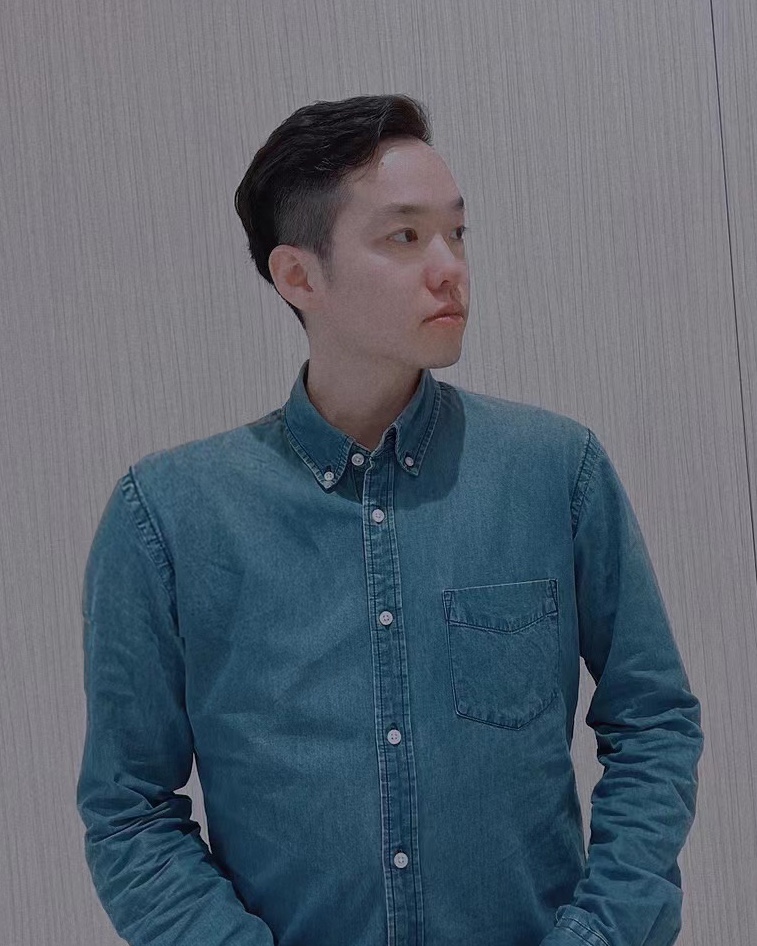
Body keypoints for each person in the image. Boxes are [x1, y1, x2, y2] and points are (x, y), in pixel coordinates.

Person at [76, 93, 704, 946]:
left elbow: (653, 723)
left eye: (456, 232)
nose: (449, 268)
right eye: (404, 237)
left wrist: (599, 934)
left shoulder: (556, 470)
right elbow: (130, 808)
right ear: (298, 276)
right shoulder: (168, 516)